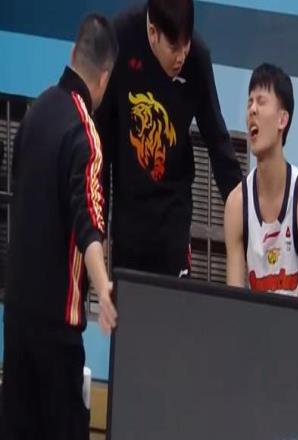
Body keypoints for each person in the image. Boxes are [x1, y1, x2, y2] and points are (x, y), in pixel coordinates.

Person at [3, 14, 118, 439]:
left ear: (72, 53)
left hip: (16, 318)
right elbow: (88, 220)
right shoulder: (85, 133)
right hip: (56, 330)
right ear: (104, 77)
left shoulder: (34, 113)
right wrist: (103, 286)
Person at [96, 0, 242, 276]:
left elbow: (217, 140)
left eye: (186, 44)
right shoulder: (120, 39)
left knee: (174, 299)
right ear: (153, 33)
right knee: (129, 300)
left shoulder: (197, 57)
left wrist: (247, 219)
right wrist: (98, 228)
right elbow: (101, 138)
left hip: (173, 213)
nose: (181, 57)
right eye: (174, 47)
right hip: (128, 216)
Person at [224, 63, 298, 300]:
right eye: (249, 102)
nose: (252, 110)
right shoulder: (236, 204)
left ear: (282, 120)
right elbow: (233, 306)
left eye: (261, 101)